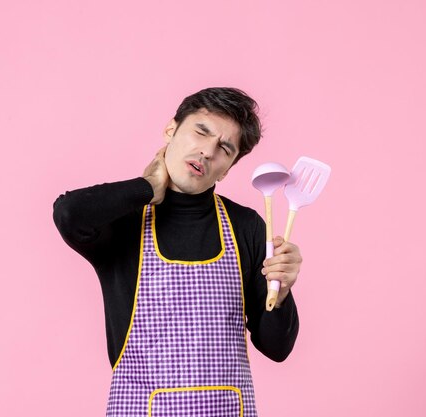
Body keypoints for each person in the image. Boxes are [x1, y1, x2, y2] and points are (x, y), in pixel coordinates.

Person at [53, 87, 302, 416]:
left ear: (227, 168)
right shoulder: (124, 222)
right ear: (171, 129)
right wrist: (147, 187)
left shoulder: (248, 227)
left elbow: (276, 348)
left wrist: (281, 291)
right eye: (201, 131)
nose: (207, 152)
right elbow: (69, 214)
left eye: (225, 148)